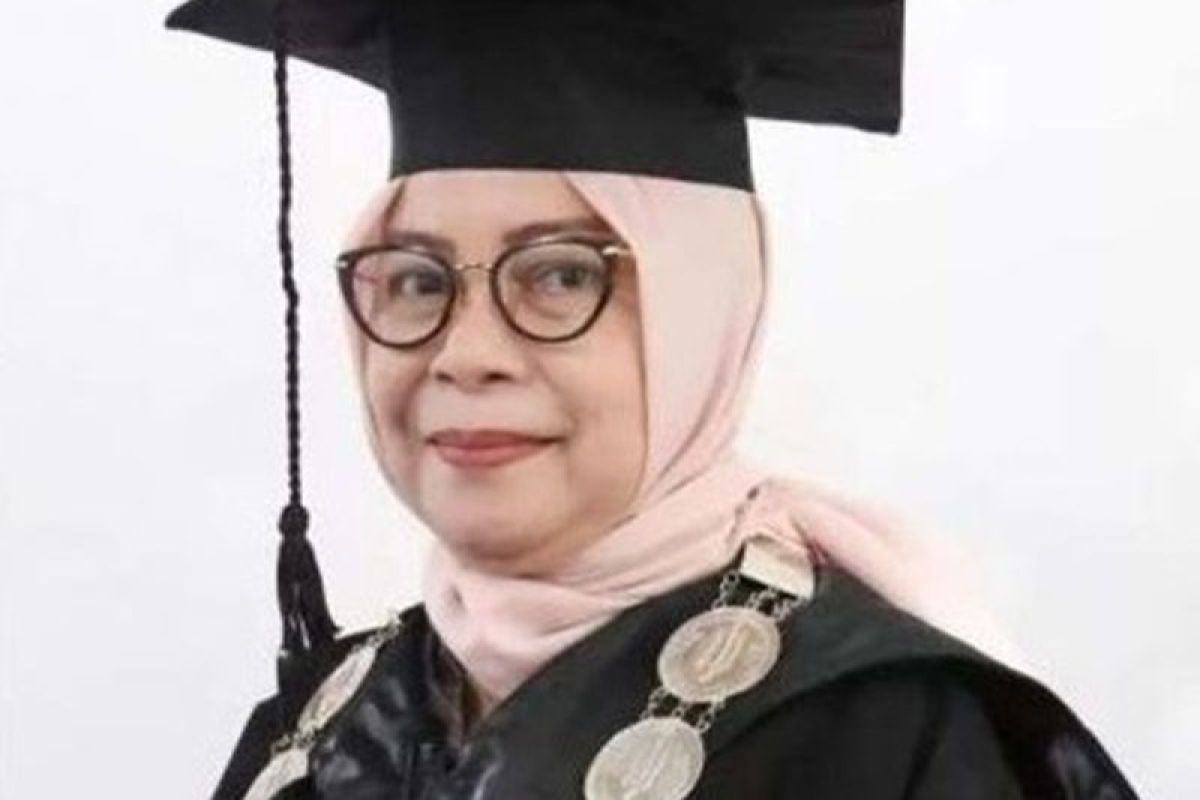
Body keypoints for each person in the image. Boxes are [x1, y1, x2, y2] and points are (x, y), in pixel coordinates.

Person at [164, 1, 1142, 798]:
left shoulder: (879, 737)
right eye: (418, 280)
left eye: (560, 275)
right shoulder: (318, 731)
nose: (466, 355)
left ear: (701, 313)